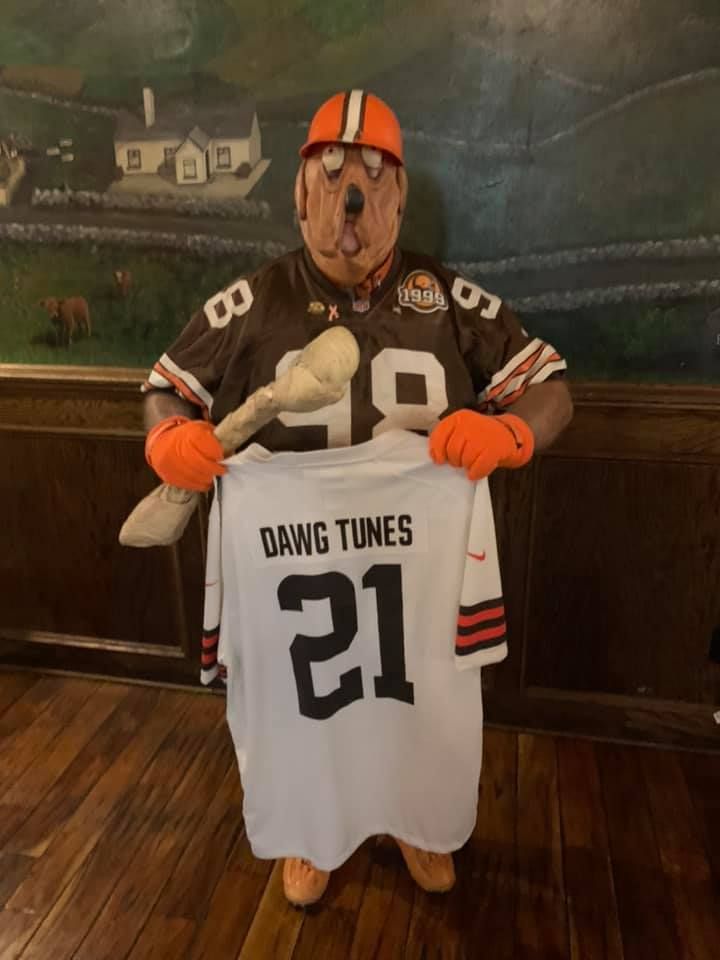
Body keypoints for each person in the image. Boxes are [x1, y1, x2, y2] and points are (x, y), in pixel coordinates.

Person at [141, 90, 573, 905]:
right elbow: (167, 388)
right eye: (332, 177)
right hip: (295, 572)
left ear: (400, 199)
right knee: (305, 710)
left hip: (416, 573)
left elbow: (550, 387)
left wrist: (514, 434)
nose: (351, 200)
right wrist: (167, 436)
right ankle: (313, 831)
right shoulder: (255, 301)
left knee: (420, 705)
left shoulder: (445, 298)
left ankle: (414, 818)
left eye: (373, 181)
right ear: (298, 194)